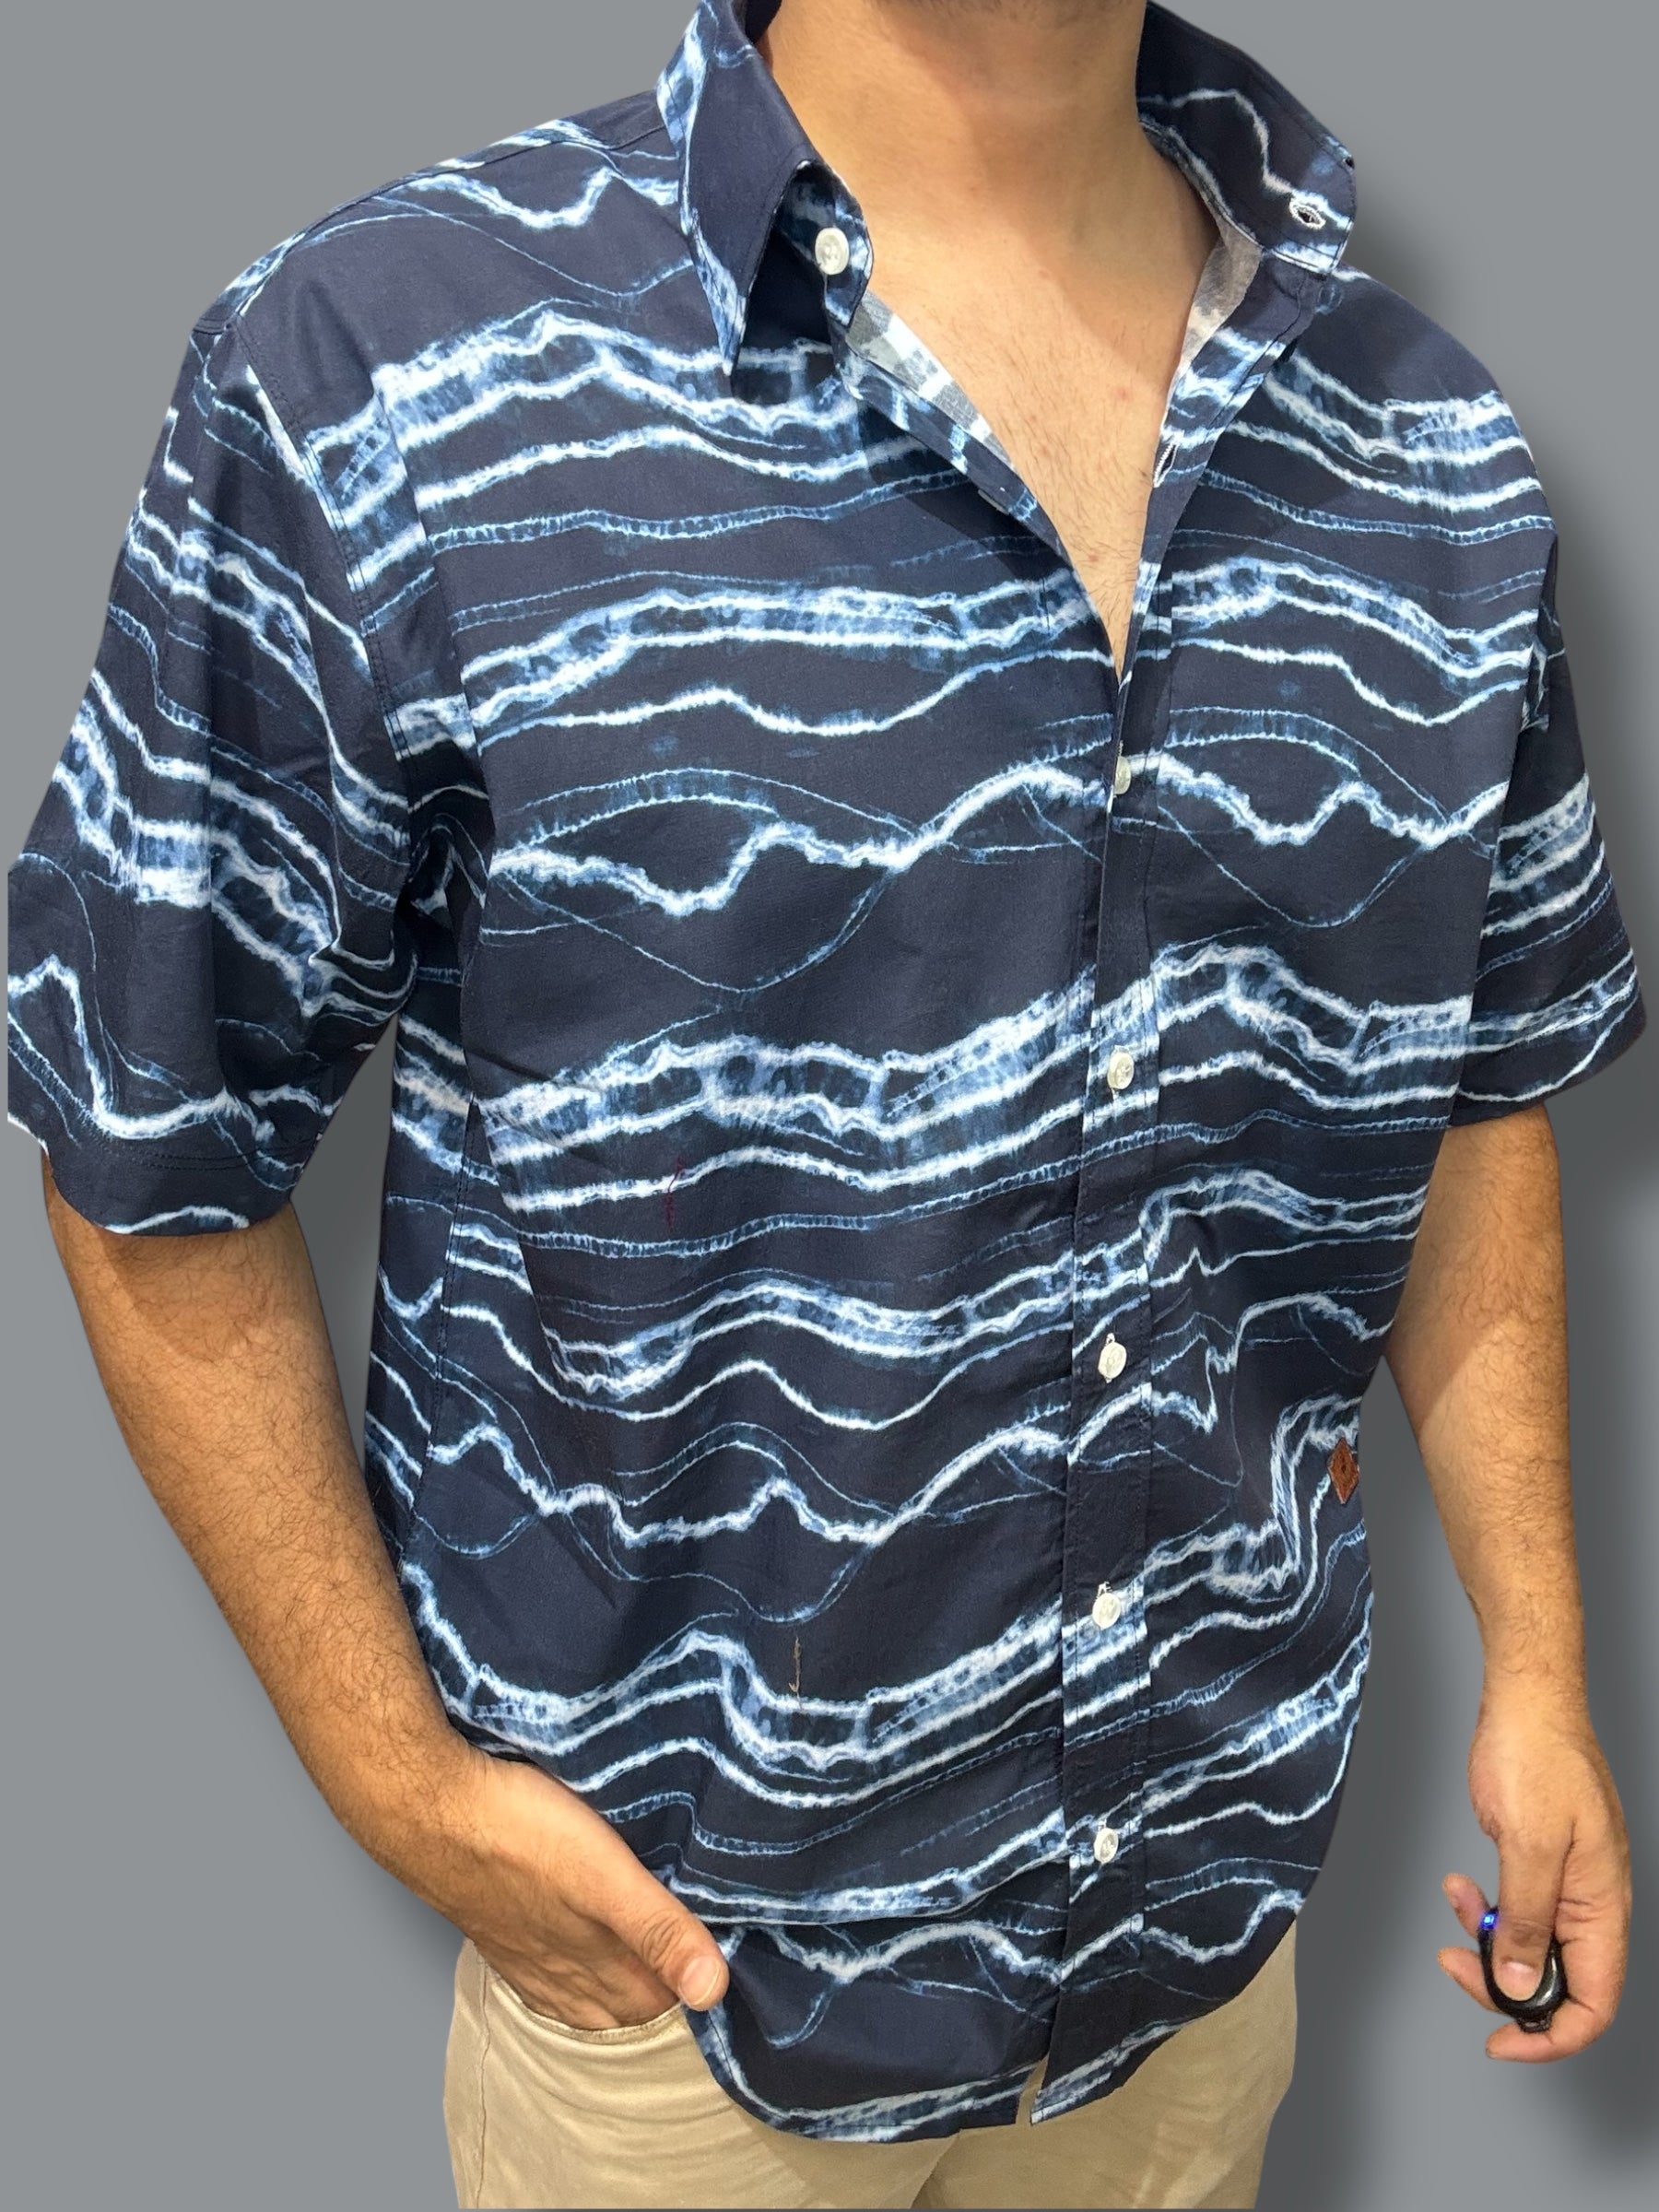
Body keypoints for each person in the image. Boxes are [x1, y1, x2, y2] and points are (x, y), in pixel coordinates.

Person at [6, 0, 1640, 2204]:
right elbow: (148, 1134)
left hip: (1192, 1962)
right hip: (670, 2008)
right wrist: (389, 1774)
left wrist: (1538, 1667)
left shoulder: (1424, 454)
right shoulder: (385, 371)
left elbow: (1469, 1088)